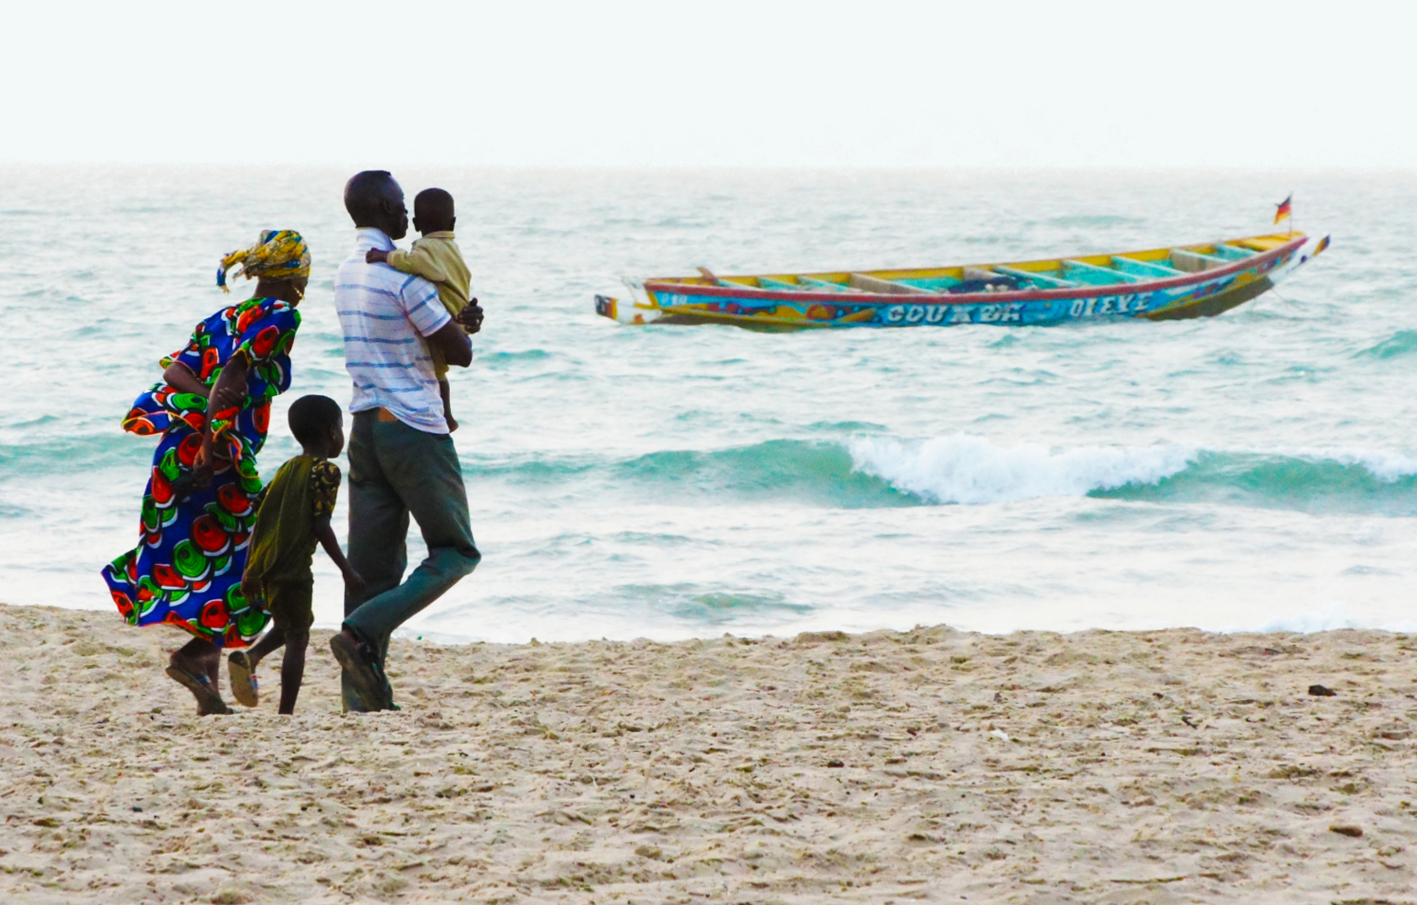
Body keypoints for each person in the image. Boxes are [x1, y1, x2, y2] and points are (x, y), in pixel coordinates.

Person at [102, 230, 308, 715]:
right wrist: (212, 444)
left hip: (176, 447)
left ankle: (208, 690)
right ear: (297, 276)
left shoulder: (222, 317)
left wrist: (203, 418)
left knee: (205, 559)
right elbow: (234, 378)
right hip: (216, 457)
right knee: (242, 562)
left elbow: (176, 374)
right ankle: (195, 657)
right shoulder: (281, 316)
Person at [330, 170, 483, 712]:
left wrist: (456, 320)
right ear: (379, 207)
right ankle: (361, 631)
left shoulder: (348, 272)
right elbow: (458, 352)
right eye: (398, 205)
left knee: (370, 568)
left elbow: (419, 332)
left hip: (365, 426)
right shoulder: (405, 278)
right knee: (456, 549)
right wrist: (464, 325)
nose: (406, 217)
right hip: (413, 425)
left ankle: (361, 700)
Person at [228, 395, 363, 714]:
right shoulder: (326, 472)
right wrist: (346, 569)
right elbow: (321, 526)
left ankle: (252, 657)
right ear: (332, 432)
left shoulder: (287, 469)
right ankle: (285, 712)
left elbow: (260, 516)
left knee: (288, 624)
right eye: (341, 428)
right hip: (294, 568)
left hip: (268, 568)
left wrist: (250, 569)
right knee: (298, 638)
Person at [364, 188, 474, 431]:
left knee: (436, 370)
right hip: (460, 310)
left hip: (447, 314)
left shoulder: (426, 247)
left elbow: (422, 266)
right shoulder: (452, 248)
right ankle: (447, 415)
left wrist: (388, 256)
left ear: (415, 223)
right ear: (453, 222)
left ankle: (447, 415)